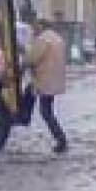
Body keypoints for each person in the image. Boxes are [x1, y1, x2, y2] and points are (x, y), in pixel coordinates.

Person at [22, 19, 68, 153]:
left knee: (45, 111)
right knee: (32, 95)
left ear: (41, 26)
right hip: (54, 80)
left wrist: (23, 63)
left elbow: (31, 58)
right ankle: (24, 116)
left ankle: (61, 140)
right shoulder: (57, 39)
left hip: (44, 80)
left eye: (35, 28)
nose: (34, 31)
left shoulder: (43, 40)